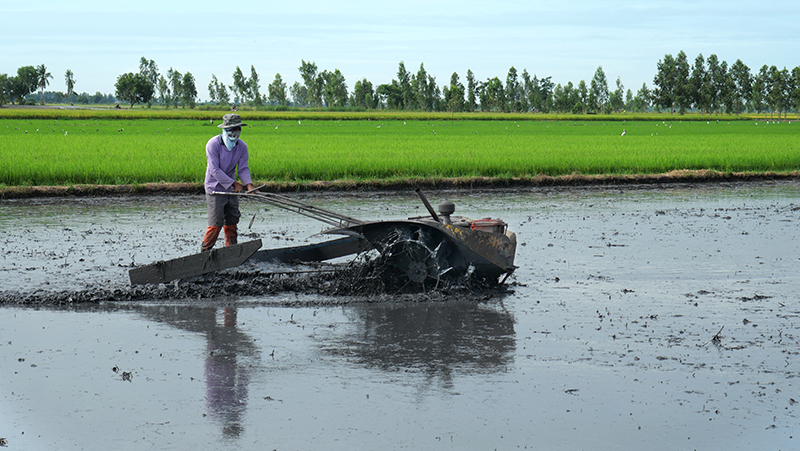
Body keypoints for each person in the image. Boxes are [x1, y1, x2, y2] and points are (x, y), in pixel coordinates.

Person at [201, 113, 256, 252]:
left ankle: (231, 252)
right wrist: (233, 183)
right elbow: (214, 169)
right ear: (225, 129)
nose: (235, 133)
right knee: (216, 224)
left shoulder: (241, 146)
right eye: (232, 129)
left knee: (232, 222)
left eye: (237, 129)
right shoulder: (213, 144)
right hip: (215, 188)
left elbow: (243, 168)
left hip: (231, 190)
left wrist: (248, 184)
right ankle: (204, 253)